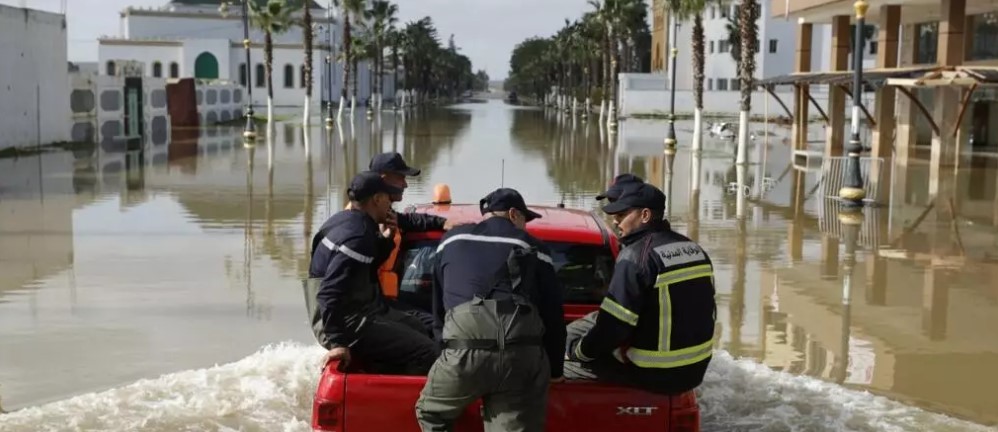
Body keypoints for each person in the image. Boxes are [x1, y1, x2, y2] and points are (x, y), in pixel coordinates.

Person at [415, 188, 566, 432]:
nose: (525, 227)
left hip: (462, 352)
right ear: (514, 214)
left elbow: (439, 307)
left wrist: (444, 353)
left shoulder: (450, 240)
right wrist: (556, 370)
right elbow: (553, 315)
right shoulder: (535, 247)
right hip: (520, 356)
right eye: (525, 219)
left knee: (432, 413)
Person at [565, 179, 716, 395]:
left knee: (556, 364)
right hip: (695, 371)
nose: (615, 222)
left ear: (645, 215)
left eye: (621, 215)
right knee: (589, 324)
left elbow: (614, 327)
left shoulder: (635, 257)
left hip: (654, 374)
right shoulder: (694, 248)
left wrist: (580, 353)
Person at [308, 171, 438, 375]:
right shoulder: (358, 236)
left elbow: (362, 267)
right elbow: (328, 293)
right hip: (344, 320)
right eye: (388, 199)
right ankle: (399, 393)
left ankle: (382, 372)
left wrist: (387, 239)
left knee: (419, 327)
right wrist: (338, 343)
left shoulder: (344, 221)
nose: (390, 205)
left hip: (356, 310)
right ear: (377, 199)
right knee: (428, 351)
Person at [367, 152, 460, 336]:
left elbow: (407, 220)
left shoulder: (380, 211)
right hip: (375, 306)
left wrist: (441, 223)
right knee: (440, 328)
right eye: (400, 178)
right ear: (383, 179)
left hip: (389, 299)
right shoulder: (363, 221)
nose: (405, 185)